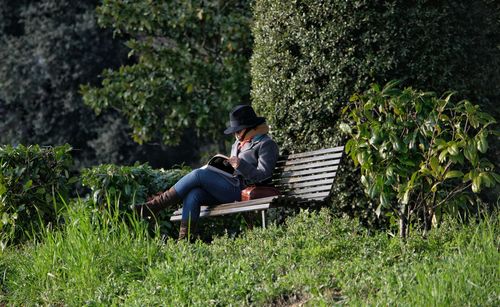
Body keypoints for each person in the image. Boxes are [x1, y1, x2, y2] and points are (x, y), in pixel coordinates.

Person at [135, 105, 279, 240]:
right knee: (194, 194)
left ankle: (157, 205)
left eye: (238, 130)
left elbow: (264, 174)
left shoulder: (266, 144)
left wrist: (242, 165)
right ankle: (185, 242)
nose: (235, 134)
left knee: (198, 174)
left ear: (249, 127)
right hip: (229, 186)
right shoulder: (237, 144)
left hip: (243, 190)